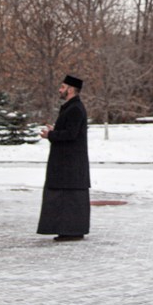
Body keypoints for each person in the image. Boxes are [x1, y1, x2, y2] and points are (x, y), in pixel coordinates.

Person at [37, 74, 91, 241]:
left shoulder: (75, 108)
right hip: (68, 164)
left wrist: (51, 134)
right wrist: (55, 131)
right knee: (66, 198)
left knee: (69, 198)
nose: (60, 90)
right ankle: (68, 230)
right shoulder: (72, 107)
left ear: (70, 89)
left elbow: (71, 134)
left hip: (70, 164)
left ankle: (71, 230)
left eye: (62, 87)